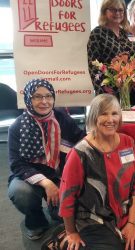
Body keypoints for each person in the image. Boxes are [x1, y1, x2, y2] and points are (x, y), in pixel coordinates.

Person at [59, 94, 135, 249]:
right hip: (92, 218)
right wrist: (71, 232)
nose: (110, 119)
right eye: (104, 114)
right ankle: (61, 239)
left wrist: (132, 223)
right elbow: (67, 197)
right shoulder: (81, 153)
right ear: (94, 117)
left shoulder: (128, 142)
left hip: (123, 215)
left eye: (114, 113)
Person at [7, 79, 85, 240]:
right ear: (28, 99)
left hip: (59, 174)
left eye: (48, 96)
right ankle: (35, 221)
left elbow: (81, 141)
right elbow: (16, 164)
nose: (44, 101)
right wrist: (46, 183)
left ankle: (55, 208)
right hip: (30, 177)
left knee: (60, 216)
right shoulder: (17, 127)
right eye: (37, 97)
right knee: (21, 193)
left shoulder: (62, 118)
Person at [87, 0, 135, 104]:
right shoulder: (97, 33)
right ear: (104, 11)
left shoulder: (128, 33)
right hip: (109, 94)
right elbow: (94, 67)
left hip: (131, 92)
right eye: (113, 10)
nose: (118, 13)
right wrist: (104, 91)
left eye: (120, 10)